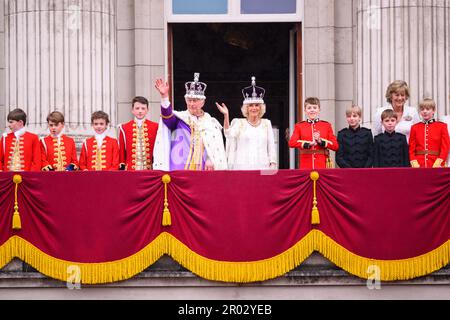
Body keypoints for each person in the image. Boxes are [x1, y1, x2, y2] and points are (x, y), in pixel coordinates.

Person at [153, 73, 227, 171]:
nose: (191, 104)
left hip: (204, 168)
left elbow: (215, 146)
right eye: (189, 100)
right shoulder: (180, 119)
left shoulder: (211, 123)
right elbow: (167, 117)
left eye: (195, 100)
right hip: (180, 168)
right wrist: (164, 97)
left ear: (203, 102)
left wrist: (211, 159)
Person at [216, 77, 277, 170]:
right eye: (251, 105)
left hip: (263, 167)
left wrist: (273, 163)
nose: (254, 108)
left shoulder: (266, 123)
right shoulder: (239, 123)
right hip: (242, 168)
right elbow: (227, 133)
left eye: (257, 105)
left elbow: (271, 146)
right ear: (246, 108)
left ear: (261, 107)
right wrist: (226, 115)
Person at [288, 97, 339, 169]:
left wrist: (320, 141)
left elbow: (335, 146)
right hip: (305, 165)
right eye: (309, 108)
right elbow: (292, 143)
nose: (312, 110)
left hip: (322, 165)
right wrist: (308, 144)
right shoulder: (299, 126)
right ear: (305, 110)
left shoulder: (326, 125)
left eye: (315, 108)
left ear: (319, 110)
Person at [118, 96, 159, 171]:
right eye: (137, 108)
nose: (140, 111)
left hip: (149, 170)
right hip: (130, 170)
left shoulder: (156, 127)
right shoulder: (124, 127)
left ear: (147, 110)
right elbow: (122, 151)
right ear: (132, 110)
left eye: (143, 108)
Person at [409, 99, 449, 168]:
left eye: (427, 109)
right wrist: (414, 161)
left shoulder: (442, 126)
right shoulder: (414, 127)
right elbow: (411, 148)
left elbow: (445, 147)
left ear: (433, 110)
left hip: (436, 163)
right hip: (419, 164)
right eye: (422, 109)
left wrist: (440, 161)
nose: (424, 111)